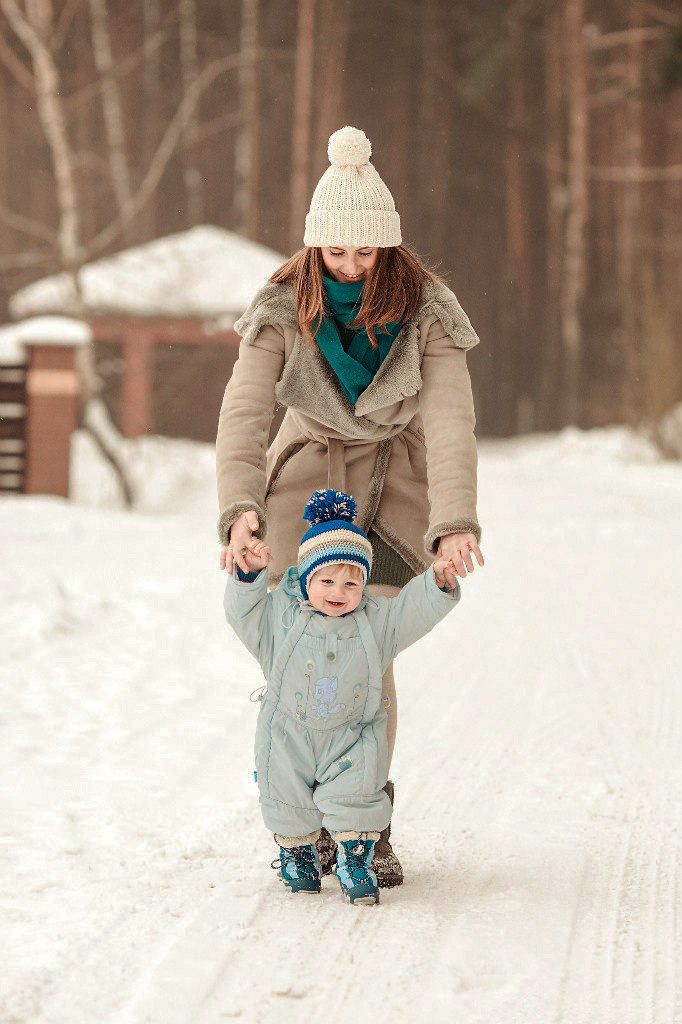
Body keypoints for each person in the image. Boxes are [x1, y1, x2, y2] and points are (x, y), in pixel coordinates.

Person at [216, 124, 484, 887]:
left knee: (371, 650)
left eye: (367, 253)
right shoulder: (282, 304)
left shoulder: (429, 309)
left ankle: (365, 814)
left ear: (389, 248)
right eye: (338, 252)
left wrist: (454, 520)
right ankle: (303, 809)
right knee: (305, 638)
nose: (352, 267)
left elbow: (450, 418)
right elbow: (242, 411)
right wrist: (239, 505)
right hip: (309, 479)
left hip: (397, 482)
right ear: (315, 248)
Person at [223, 489, 462, 905]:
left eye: (352, 582)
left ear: (364, 584)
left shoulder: (377, 622)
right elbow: (243, 614)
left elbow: (412, 610)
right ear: (307, 578)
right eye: (327, 580)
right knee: (286, 796)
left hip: (350, 736)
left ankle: (355, 858)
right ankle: (297, 853)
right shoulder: (281, 616)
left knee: (356, 794)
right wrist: (248, 577)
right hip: (289, 735)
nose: (339, 591)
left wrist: (436, 583)